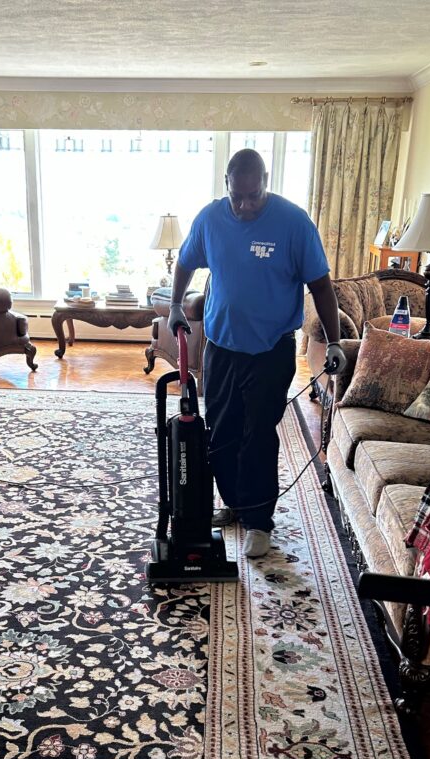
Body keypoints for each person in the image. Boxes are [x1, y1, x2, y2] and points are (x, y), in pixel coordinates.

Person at [168, 149, 344, 558]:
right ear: (226, 185)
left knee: (259, 433)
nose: (245, 205)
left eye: (253, 196)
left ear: (265, 181)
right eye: (237, 197)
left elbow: (321, 286)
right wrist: (176, 304)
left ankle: (259, 521)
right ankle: (234, 503)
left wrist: (334, 341)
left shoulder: (293, 222)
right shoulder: (210, 219)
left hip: (271, 349)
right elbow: (185, 262)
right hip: (221, 348)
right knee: (221, 431)